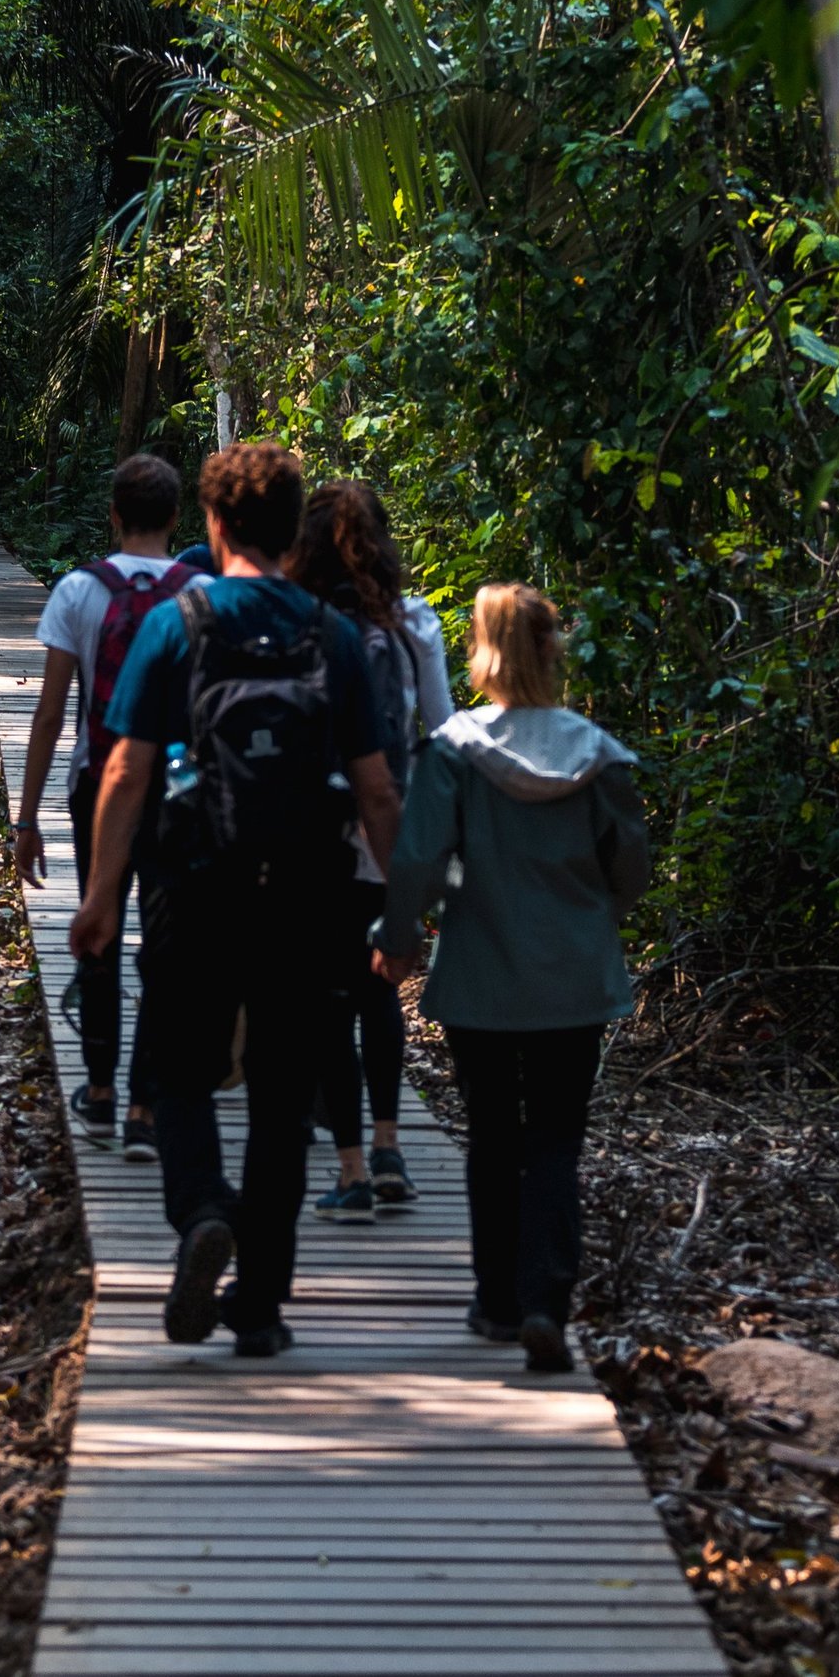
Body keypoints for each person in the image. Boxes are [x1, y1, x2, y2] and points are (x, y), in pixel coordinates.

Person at [75, 441, 401, 1359]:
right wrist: (406, 912)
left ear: (212, 524)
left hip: (193, 885)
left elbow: (127, 769)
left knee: (180, 1074)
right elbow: (376, 790)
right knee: (281, 1097)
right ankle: (258, 1304)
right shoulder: (328, 632)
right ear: (291, 527)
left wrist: (102, 895)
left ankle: (200, 1213)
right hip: (307, 895)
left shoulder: (175, 624)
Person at [374, 583, 653, 1374]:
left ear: (482, 651)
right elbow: (628, 868)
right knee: (556, 1140)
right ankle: (546, 1304)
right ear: (551, 650)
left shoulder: (454, 750)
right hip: (573, 978)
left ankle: (495, 1300)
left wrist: (396, 938)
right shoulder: (597, 753)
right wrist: (590, 914)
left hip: (481, 976)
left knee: (493, 1135)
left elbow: (419, 859)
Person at [12, 453, 210, 1159]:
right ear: (176, 518)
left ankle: (97, 1089)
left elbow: (46, 715)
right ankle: (143, 1107)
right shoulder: (201, 592)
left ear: (113, 515)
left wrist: (26, 817)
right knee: (164, 948)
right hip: (177, 791)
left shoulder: (77, 590)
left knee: (98, 925)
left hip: (96, 781)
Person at [282, 481, 454, 1223]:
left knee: (327, 999)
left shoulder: (298, 621)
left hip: (313, 830)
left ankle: (349, 1167)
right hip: (394, 827)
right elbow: (442, 728)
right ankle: (389, 1148)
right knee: (380, 985)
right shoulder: (415, 620)